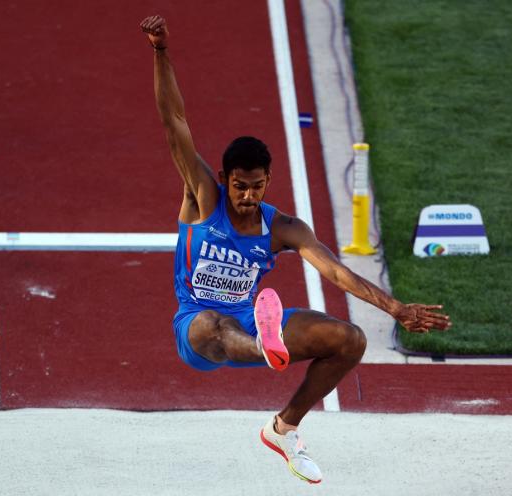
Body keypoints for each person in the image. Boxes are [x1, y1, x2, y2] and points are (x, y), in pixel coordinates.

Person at [140, 15, 452, 484]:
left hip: (250, 316)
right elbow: (174, 121)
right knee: (212, 324)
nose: (248, 196)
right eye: (241, 187)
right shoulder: (203, 197)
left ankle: (282, 428)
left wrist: (395, 307)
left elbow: (336, 272)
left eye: (257, 187)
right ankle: (268, 348)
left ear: (269, 181)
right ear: (225, 180)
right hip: (197, 328)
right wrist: (161, 52)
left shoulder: (283, 227)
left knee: (350, 341)